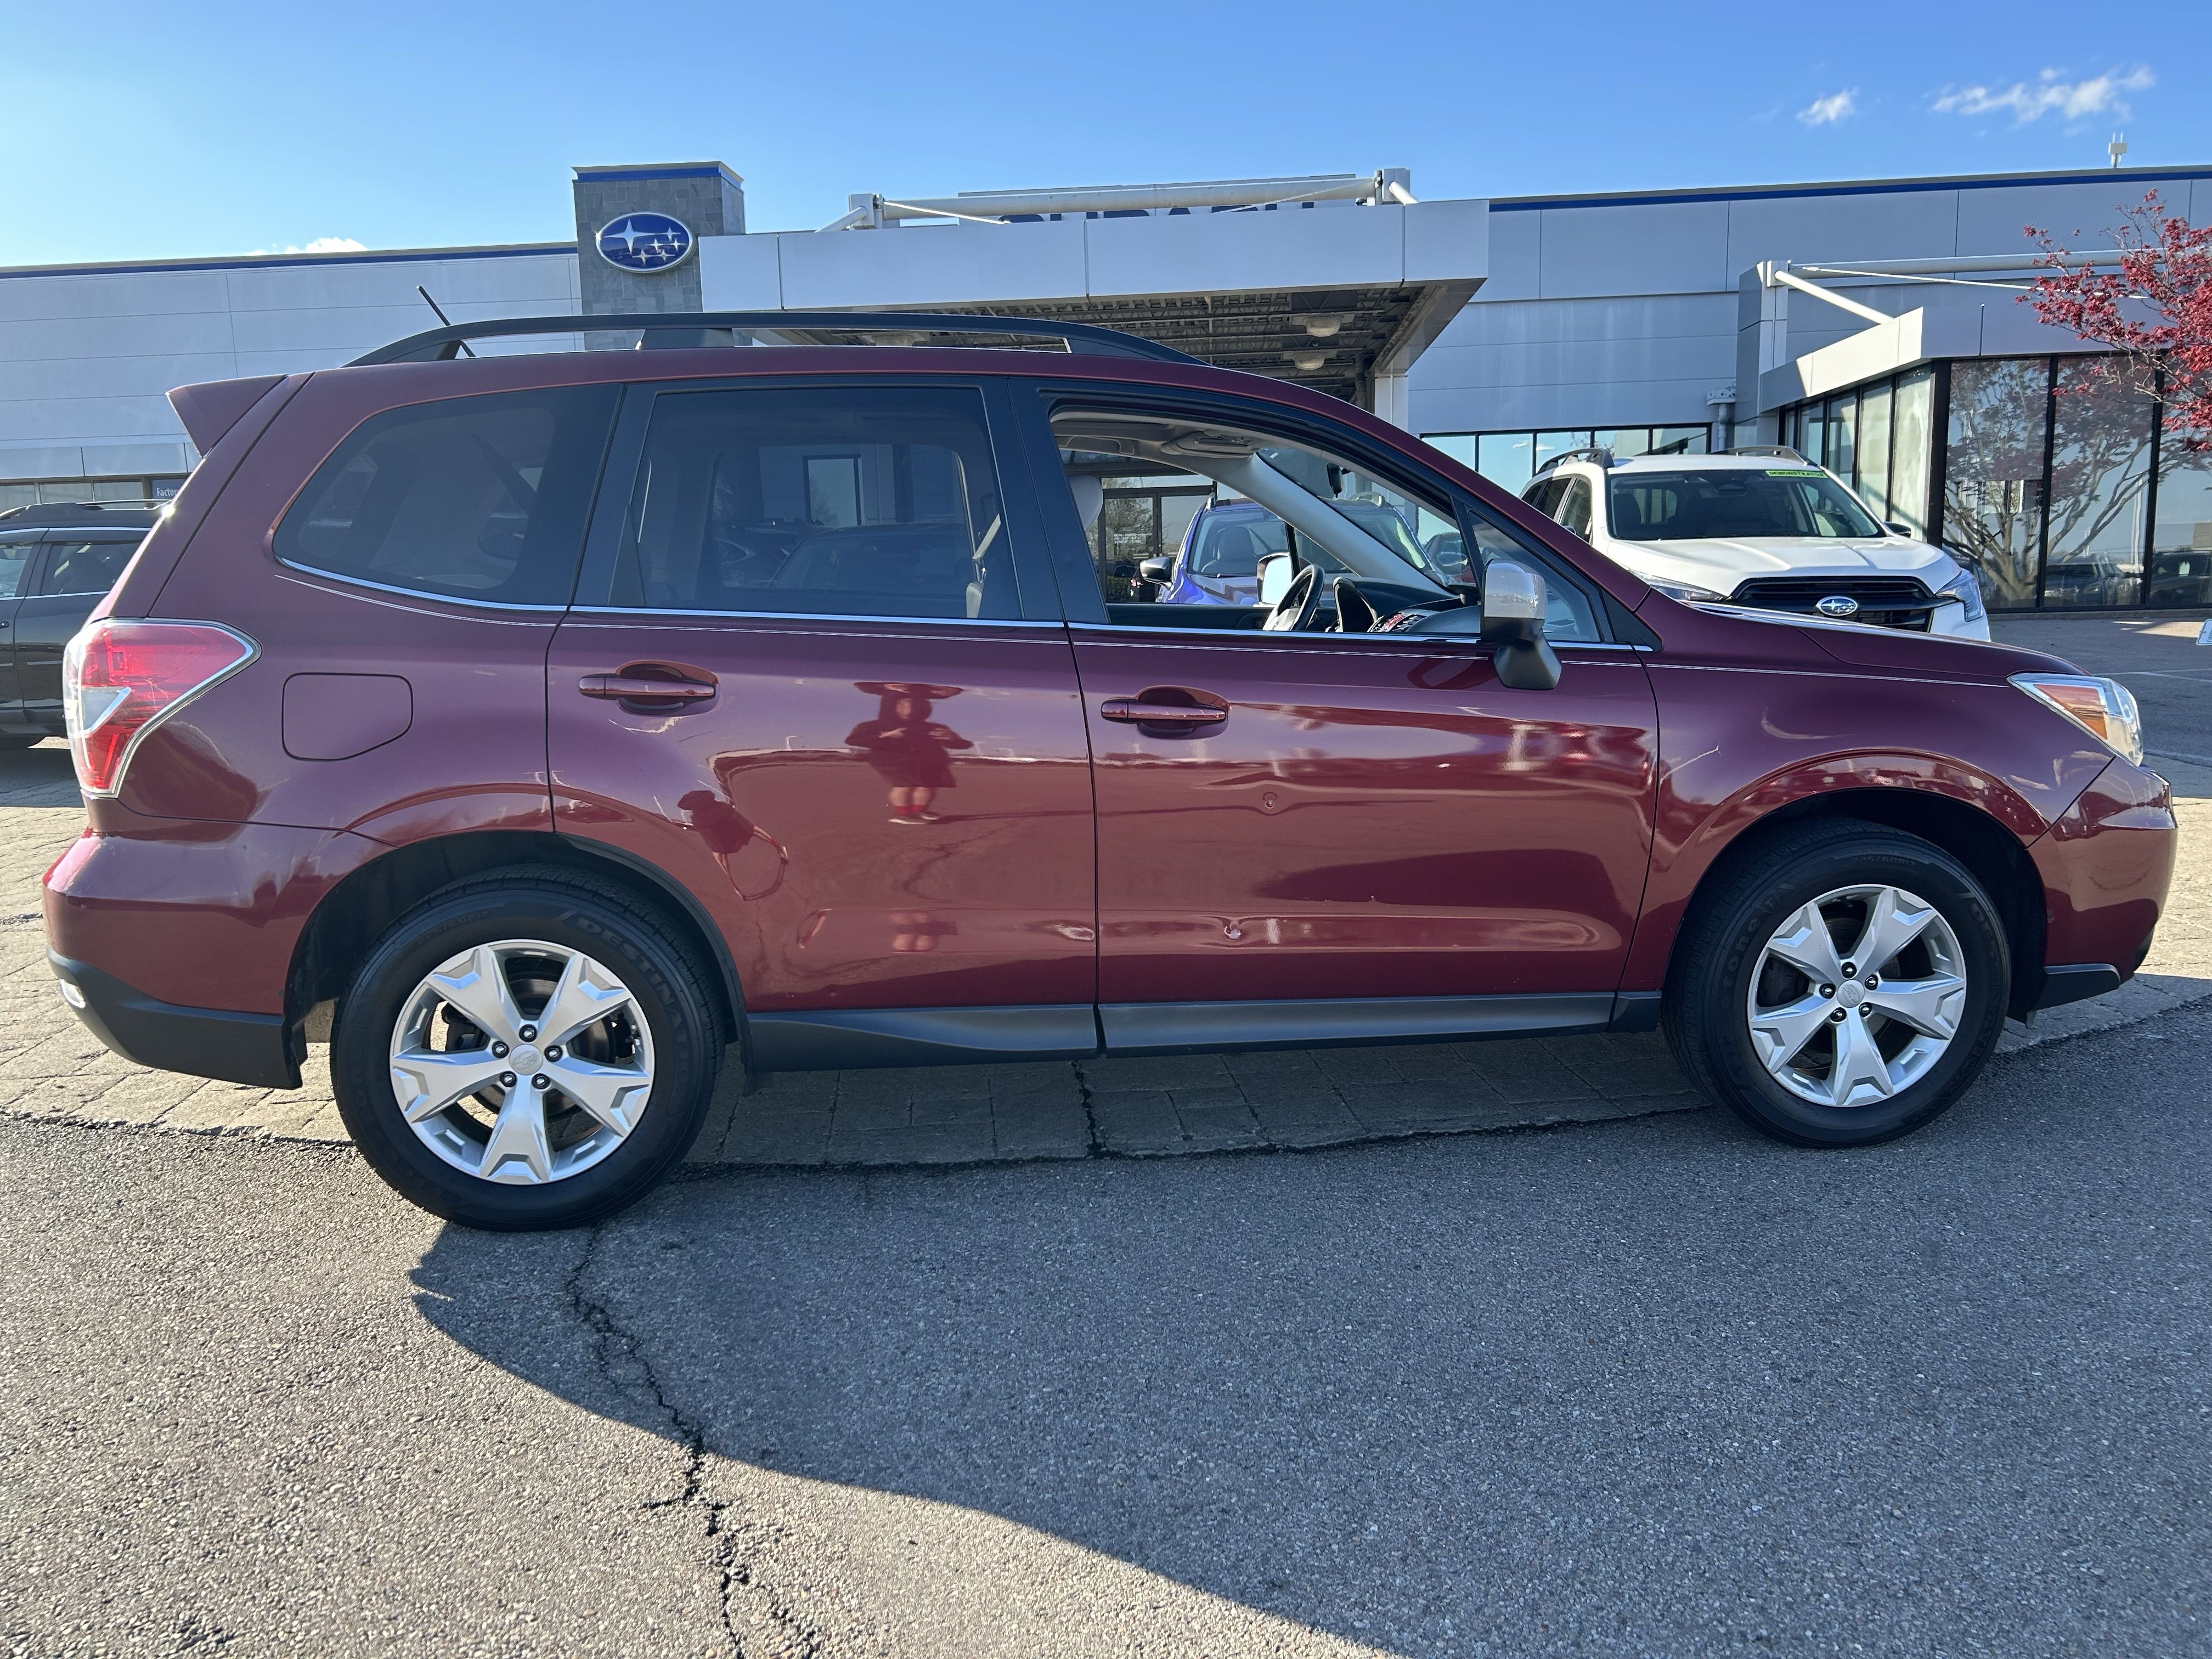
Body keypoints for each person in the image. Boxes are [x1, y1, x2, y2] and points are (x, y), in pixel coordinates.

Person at [845, 684, 970, 824]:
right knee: (905, 785)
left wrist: (952, 738)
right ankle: (904, 815)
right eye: (902, 705)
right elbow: (852, 741)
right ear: (890, 705)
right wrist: (885, 737)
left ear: (924, 708)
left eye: (915, 705)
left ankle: (920, 811)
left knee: (927, 786)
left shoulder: (932, 727)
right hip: (893, 761)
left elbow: (964, 745)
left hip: (927, 762)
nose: (909, 710)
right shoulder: (873, 726)